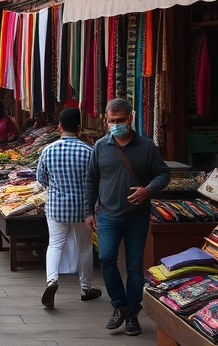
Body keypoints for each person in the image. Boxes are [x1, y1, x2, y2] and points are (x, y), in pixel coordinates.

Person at [85, 98, 171, 336]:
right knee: (106, 258)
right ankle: (120, 306)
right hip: (106, 215)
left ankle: (133, 313)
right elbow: (91, 180)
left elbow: (163, 174)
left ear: (130, 119)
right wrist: (88, 212)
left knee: (134, 267)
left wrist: (148, 190)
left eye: (119, 121)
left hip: (137, 216)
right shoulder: (101, 146)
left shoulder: (146, 146)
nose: (114, 125)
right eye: (111, 121)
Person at [36, 108, 101, 309]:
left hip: (56, 208)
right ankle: (85, 288)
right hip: (83, 209)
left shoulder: (48, 150)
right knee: (84, 246)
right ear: (79, 128)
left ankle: (52, 280)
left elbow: (41, 179)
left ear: (59, 127)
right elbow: (96, 181)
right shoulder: (89, 151)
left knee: (55, 244)